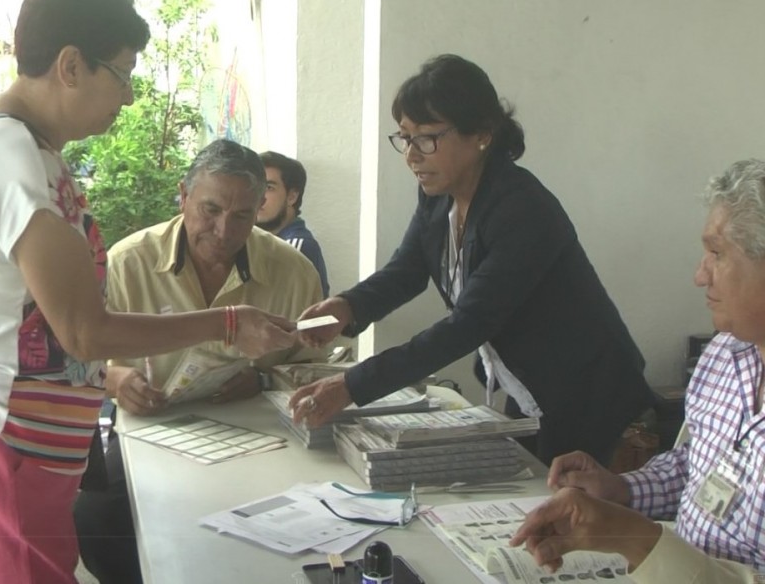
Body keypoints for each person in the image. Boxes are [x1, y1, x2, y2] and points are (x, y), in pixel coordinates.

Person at [0, 0, 294, 583]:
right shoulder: (4, 151)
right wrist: (227, 323)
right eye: (122, 75)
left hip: (37, 448)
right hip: (7, 440)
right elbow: (84, 330)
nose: (128, 95)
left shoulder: (34, 153)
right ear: (70, 66)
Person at [290, 53, 653, 466]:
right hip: (529, 389)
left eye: (426, 138)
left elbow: (469, 324)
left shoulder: (522, 208)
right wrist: (346, 307)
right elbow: (407, 271)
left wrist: (353, 385)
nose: (412, 155)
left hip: (590, 397)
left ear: (481, 133)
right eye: (405, 137)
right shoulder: (438, 196)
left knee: (559, 512)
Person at [73, 139, 325, 584]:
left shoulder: (292, 271)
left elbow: (314, 367)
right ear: (183, 195)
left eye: (242, 216)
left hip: (262, 431)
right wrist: (115, 379)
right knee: (95, 517)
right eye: (210, 210)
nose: (224, 231)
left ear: (260, 209)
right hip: (155, 430)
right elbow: (81, 359)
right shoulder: (129, 263)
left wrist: (263, 380)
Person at [510, 158, 765, 583]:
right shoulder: (726, 355)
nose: (700, 275)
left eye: (716, 254)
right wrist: (621, 490)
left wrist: (631, 536)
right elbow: (694, 466)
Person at [258, 150, 330, 297]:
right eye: (256, 186)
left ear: (292, 197)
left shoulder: (296, 246)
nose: (259, 196)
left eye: (269, 188)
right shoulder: (263, 241)